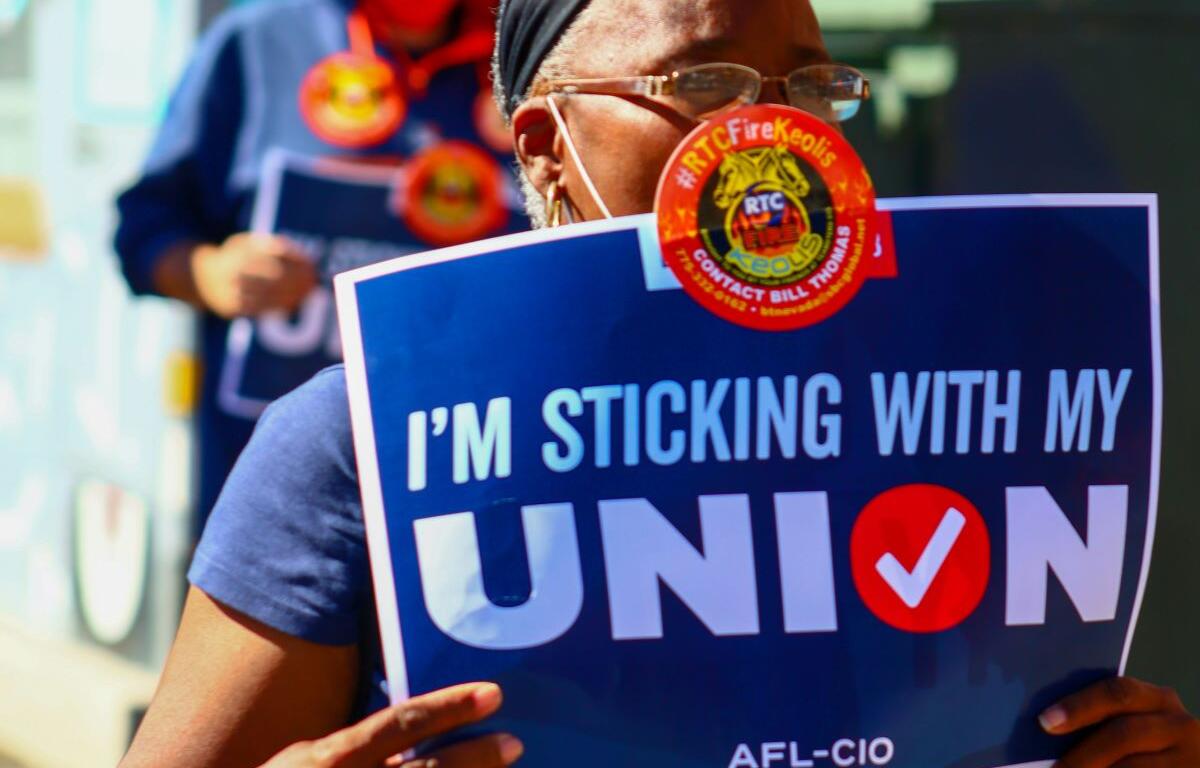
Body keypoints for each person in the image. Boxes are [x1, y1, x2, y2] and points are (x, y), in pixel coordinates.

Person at [120, 1, 1200, 766]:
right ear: (542, 146)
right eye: (706, 81)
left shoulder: (963, 425)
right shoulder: (359, 439)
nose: (773, 130)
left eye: (812, 85)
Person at [114, 0, 527, 532]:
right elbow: (144, 229)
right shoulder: (259, 37)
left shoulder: (533, 44)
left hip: (482, 480)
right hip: (276, 498)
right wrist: (211, 273)